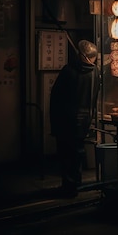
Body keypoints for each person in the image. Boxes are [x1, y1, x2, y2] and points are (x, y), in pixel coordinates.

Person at [50, 40, 101, 198]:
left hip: (66, 119)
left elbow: (56, 97)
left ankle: (69, 187)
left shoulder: (68, 70)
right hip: (84, 119)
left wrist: (54, 120)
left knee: (66, 154)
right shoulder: (95, 72)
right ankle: (76, 183)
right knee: (77, 152)